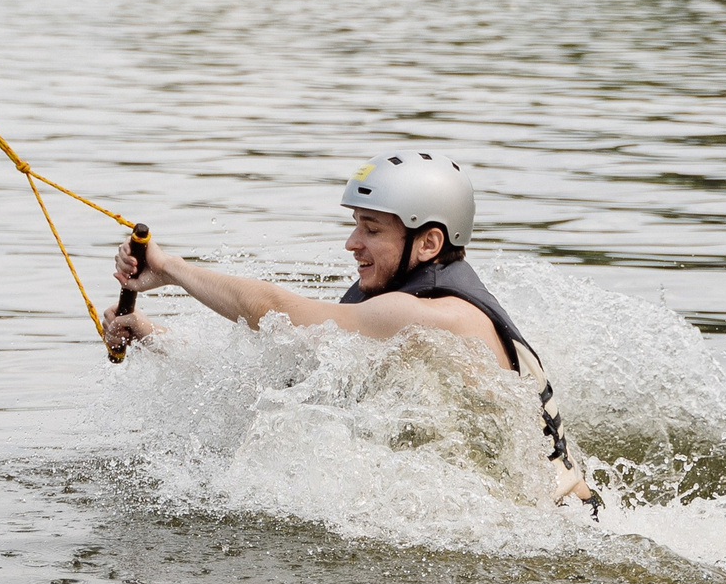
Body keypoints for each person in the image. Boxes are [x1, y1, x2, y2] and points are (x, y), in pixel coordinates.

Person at [105, 148, 594, 512]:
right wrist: (151, 334)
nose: (351, 243)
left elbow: (272, 311)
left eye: (372, 230)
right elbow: (281, 379)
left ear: (428, 242)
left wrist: (169, 268)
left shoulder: (427, 316)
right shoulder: (396, 303)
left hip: (563, 532)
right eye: (355, 224)